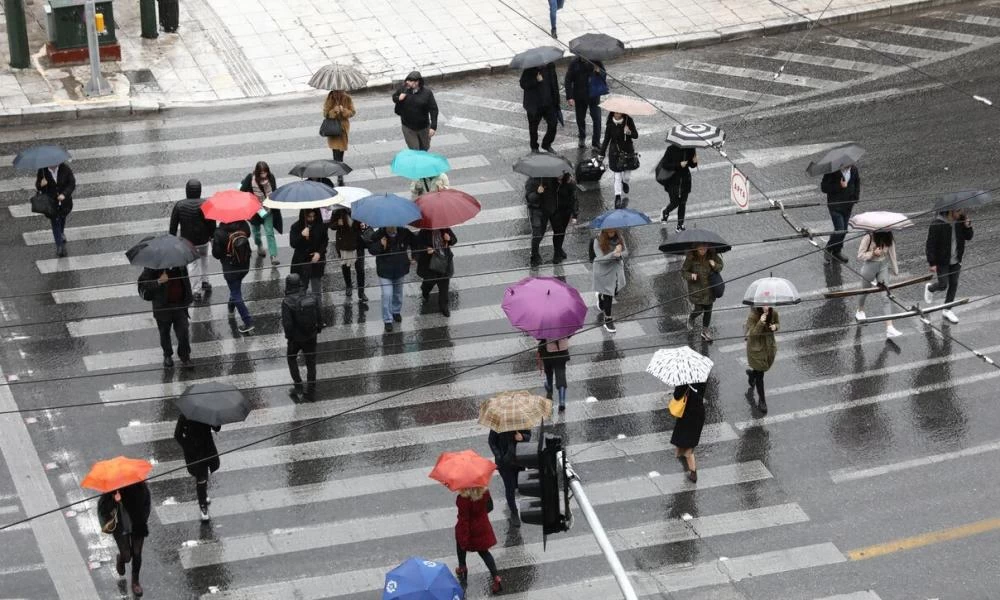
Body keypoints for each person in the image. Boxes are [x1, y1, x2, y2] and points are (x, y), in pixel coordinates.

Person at [97, 481, 151, 597]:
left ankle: (135, 582)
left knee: (137, 553)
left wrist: (143, 518)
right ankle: (121, 559)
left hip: (137, 524)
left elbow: (147, 503)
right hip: (121, 527)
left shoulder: (139, 486)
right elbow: (103, 509)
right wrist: (114, 501)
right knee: (127, 556)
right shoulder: (111, 489)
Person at [169, 179, 216, 302]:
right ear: (199, 191)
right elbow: (212, 224)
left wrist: (172, 240)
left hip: (188, 242)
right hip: (204, 240)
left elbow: (173, 226)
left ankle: (196, 290)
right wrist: (212, 237)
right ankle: (205, 281)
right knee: (204, 259)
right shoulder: (206, 204)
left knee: (192, 265)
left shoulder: (179, 205)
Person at [137, 264, 193, 368]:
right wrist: (158, 281)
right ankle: (167, 355)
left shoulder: (180, 264)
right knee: (164, 333)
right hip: (162, 307)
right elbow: (143, 285)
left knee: (184, 332)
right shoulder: (152, 266)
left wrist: (188, 298)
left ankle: (185, 355)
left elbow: (186, 281)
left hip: (179, 305)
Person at [924, 208, 973, 324]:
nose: (961, 213)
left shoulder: (961, 221)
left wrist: (968, 226)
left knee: (954, 283)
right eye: (958, 211)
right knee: (943, 285)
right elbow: (930, 244)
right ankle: (930, 288)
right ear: (951, 211)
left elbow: (969, 237)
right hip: (942, 261)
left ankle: (947, 309)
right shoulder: (937, 224)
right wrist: (932, 263)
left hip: (956, 260)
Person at [453, 487, 502, 593]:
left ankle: (462, 567)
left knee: (460, 543)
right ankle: (496, 577)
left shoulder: (463, 499)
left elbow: (464, 520)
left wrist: (464, 539)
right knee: (484, 552)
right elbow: (490, 507)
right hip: (482, 526)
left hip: (470, 529)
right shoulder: (484, 492)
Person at [173, 414, 221, 521]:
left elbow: (216, 428)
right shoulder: (185, 415)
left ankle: (203, 495)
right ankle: (203, 506)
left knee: (205, 474)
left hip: (208, 448)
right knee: (201, 478)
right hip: (195, 453)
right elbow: (177, 435)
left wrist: (216, 421)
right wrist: (189, 448)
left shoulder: (208, 413)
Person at [281, 273, 321, 401]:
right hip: (311, 336)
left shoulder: (287, 302)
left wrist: (289, 337)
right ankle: (312, 391)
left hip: (295, 339)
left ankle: (298, 385)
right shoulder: (311, 297)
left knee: (291, 359)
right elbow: (319, 315)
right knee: (311, 363)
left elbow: (287, 324)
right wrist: (317, 330)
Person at [211, 218, 255, 334]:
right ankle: (231, 307)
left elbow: (216, 254)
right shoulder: (244, 224)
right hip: (244, 264)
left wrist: (215, 243)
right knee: (235, 288)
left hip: (230, 268)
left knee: (236, 293)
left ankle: (248, 322)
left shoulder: (219, 232)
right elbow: (248, 235)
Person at [369, 226, 416, 332]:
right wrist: (380, 244)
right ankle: (387, 320)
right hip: (385, 271)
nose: (392, 227)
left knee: (398, 293)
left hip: (400, 269)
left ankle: (396, 311)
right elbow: (371, 250)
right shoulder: (378, 234)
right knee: (387, 295)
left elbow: (416, 242)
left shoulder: (404, 232)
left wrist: (414, 256)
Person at [525, 173, 578, 266]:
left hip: (551, 209)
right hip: (537, 211)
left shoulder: (550, 178)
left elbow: (560, 186)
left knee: (559, 231)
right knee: (538, 234)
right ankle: (534, 256)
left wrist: (567, 180)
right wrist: (538, 192)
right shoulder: (531, 181)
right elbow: (530, 198)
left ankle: (558, 252)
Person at [856, 231, 901, 338]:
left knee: (886, 296)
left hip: (883, 266)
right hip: (869, 267)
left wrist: (895, 269)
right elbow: (860, 255)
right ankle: (860, 310)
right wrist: (872, 253)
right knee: (865, 291)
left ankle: (889, 327)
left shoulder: (889, 236)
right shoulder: (868, 237)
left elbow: (892, 253)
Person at [240, 161, 283, 266]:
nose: (264, 175)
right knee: (256, 233)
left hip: (268, 210)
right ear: (257, 172)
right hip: (255, 211)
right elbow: (242, 192)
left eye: (265, 172)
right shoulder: (250, 178)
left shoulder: (271, 177)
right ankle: (259, 245)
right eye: (261, 173)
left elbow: (275, 191)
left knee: (269, 233)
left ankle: (273, 255)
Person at [290, 208, 330, 321]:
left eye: (313, 216)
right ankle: (302, 318)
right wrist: (301, 236)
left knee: (317, 292)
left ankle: (319, 318)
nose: (312, 219)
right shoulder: (296, 227)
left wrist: (319, 253)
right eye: (309, 217)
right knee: (302, 291)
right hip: (301, 262)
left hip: (316, 262)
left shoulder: (321, 225)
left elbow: (324, 241)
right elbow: (293, 243)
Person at [488, 428, 530, 526]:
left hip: (519, 461)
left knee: (517, 485)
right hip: (505, 463)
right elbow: (492, 442)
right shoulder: (498, 424)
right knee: (510, 487)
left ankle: (511, 501)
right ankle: (514, 512)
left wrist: (522, 437)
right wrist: (499, 456)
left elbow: (528, 436)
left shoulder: (521, 420)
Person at [682, 244, 724, 342]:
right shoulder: (690, 257)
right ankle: (691, 317)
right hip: (697, 289)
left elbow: (720, 267)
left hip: (710, 289)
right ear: (696, 248)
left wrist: (714, 265)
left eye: (705, 248)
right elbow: (683, 272)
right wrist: (690, 275)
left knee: (708, 311)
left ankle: (705, 331)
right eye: (700, 248)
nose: (703, 250)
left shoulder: (712, 254)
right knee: (699, 309)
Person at [821, 163, 861, 263]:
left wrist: (855, 198)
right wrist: (840, 185)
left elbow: (857, 183)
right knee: (840, 229)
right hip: (835, 206)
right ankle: (829, 248)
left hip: (848, 205)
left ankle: (837, 251)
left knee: (844, 229)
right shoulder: (832, 171)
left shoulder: (854, 169)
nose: (850, 165)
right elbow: (824, 187)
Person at [35, 161, 75, 257]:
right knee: (55, 221)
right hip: (51, 203)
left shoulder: (65, 168)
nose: (52, 165)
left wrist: (64, 194)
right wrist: (41, 184)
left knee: (62, 218)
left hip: (65, 202)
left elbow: (72, 183)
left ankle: (61, 233)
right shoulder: (43, 171)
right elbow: (38, 186)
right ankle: (59, 246)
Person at [599, 111, 639, 208]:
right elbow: (606, 139)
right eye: (615, 113)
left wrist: (629, 132)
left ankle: (624, 182)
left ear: (622, 114)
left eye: (619, 113)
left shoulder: (628, 121)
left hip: (628, 152)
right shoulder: (610, 124)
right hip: (615, 153)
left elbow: (636, 135)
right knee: (617, 176)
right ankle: (617, 196)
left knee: (626, 177)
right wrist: (601, 153)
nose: (616, 115)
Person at [328, 209, 368, 304]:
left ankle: (361, 292)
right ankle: (348, 285)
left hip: (358, 244)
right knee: (346, 266)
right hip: (344, 244)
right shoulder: (338, 211)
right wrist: (338, 223)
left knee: (360, 269)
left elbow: (366, 223)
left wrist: (363, 225)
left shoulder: (359, 209)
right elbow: (331, 225)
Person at [564, 55, 605, 150]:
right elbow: (568, 79)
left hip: (594, 95)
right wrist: (570, 97)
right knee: (580, 118)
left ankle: (596, 142)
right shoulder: (574, 63)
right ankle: (582, 137)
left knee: (597, 119)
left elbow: (604, 75)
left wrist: (599, 72)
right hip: (579, 96)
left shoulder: (596, 60)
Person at [744, 306, 779, 414]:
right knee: (760, 375)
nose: (766, 307)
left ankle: (752, 375)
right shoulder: (752, 316)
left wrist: (775, 327)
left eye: (768, 304)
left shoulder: (774, 312)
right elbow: (752, 335)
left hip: (769, 347)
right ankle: (762, 401)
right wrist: (760, 322)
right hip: (756, 350)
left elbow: (777, 323)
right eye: (763, 304)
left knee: (761, 370)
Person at [392, 71, 439, 151]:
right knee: (415, 150)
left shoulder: (427, 93)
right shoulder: (403, 89)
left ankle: (422, 162)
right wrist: (399, 98)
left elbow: (433, 109)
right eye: (408, 80)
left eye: (411, 81)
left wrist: (433, 127)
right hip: (408, 127)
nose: (408, 83)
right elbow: (394, 97)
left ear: (417, 82)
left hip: (424, 127)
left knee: (424, 148)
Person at [592, 228, 627, 333]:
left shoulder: (620, 238)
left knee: (615, 291)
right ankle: (608, 319)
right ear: (604, 232)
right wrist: (614, 253)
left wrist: (620, 253)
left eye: (613, 231)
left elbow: (626, 252)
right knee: (609, 295)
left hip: (616, 271)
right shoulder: (597, 240)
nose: (612, 234)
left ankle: (600, 296)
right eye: (609, 232)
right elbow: (600, 259)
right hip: (604, 272)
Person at [416, 227, 457, 317]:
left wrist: (449, 239)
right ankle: (425, 290)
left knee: (444, 286)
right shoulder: (424, 232)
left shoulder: (445, 228)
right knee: (429, 282)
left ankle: (444, 307)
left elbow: (454, 240)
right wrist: (426, 249)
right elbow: (418, 246)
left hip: (444, 262)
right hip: (430, 264)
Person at [520, 63, 560, 153]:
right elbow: (523, 84)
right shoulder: (529, 69)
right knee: (533, 128)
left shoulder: (550, 66)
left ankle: (546, 144)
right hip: (534, 104)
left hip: (548, 103)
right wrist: (536, 80)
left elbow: (554, 83)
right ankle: (534, 147)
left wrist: (557, 101)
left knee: (553, 124)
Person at [670, 383, 705, 483]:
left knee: (687, 447)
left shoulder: (684, 381)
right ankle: (682, 455)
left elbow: (677, 396)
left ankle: (693, 472)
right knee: (688, 441)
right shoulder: (701, 378)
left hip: (687, 414)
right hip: (699, 413)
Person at [658, 144, 697, 231]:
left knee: (682, 203)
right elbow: (665, 164)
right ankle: (666, 211)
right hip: (673, 180)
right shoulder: (671, 149)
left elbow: (691, 164)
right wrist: (678, 165)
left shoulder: (690, 148)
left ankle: (680, 225)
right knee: (675, 202)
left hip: (685, 179)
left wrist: (694, 162)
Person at [323, 90, 356, 186]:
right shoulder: (329, 98)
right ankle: (339, 175)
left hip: (343, 129)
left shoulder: (347, 98)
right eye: (336, 92)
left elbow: (353, 112)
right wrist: (334, 111)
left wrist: (343, 110)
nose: (338, 94)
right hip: (333, 129)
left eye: (339, 92)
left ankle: (339, 170)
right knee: (336, 152)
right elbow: (325, 114)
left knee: (341, 152)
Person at [538, 337, 570, 410]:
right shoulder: (563, 326)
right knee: (561, 375)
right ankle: (562, 401)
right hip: (562, 353)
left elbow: (539, 337)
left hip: (548, 354)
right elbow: (569, 335)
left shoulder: (544, 326)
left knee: (549, 372)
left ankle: (549, 389)